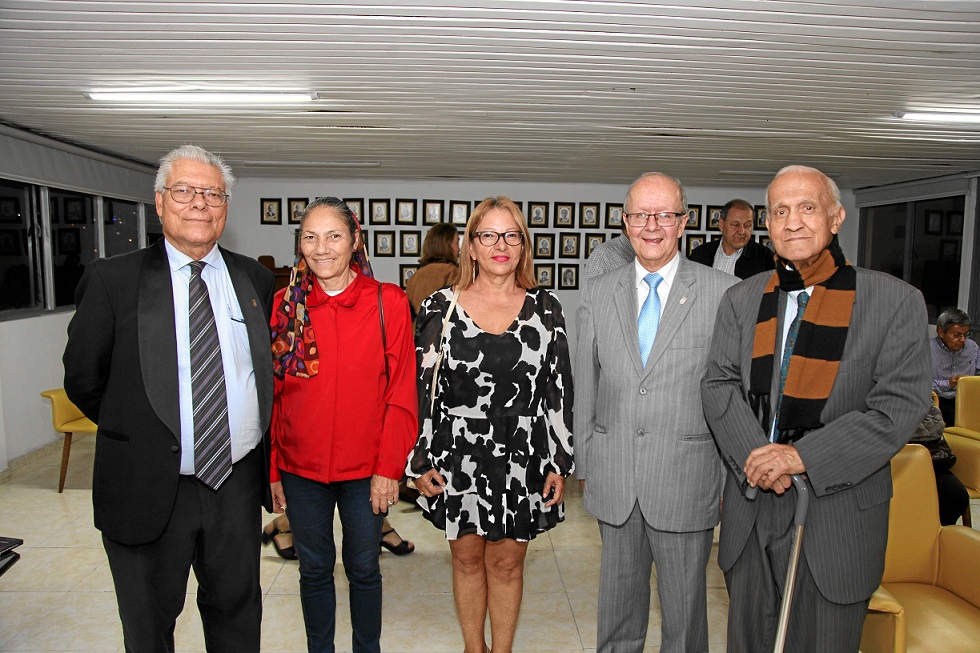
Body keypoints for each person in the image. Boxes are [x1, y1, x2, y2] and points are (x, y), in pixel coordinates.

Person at [701, 165, 931, 652]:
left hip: (838, 517)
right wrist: (760, 457)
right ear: (767, 222)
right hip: (751, 507)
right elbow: (718, 385)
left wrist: (800, 457)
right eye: (780, 211)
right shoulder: (741, 299)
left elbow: (897, 408)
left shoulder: (894, 301)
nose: (793, 222)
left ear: (836, 217)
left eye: (807, 208)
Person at [63, 145, 275, 652]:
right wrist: (147, 433)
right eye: (184, 191)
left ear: (226, 207)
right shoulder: (113, 281)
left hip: (234, 482)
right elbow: (84, 381)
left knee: (238, 619)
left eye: (212, 194)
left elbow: (259, 376)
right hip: (147, 485)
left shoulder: (256, 280)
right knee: (148, 627)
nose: (199, 203)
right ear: (160, 203)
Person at [575, 172, 737, 652]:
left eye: (664, 215)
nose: (652, 226)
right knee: (618, 611)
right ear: (625, 223)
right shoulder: (599, 291)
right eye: (641, 215)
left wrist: (730, 479)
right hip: (616, 476)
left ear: (683, 223)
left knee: (685, 617)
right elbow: (587, 383)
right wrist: (588, 462)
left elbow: (732, 396)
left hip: (686, 479)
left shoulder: (721, 292)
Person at [410, 196, 573, 653]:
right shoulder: (440, 307)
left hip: (523, 453)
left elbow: (558, 387)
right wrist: (419, 458)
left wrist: (560, 459)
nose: (500, 244)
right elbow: (423, 391)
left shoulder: (547, 308)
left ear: (523, 246)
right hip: (457, 452)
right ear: (471, 247)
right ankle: (472, 648)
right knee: (465, 559)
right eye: (488, 235)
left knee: (506, 563)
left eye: (511, 235)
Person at [269, 196, 418, 653]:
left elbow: (402, 392)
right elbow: (275, 394)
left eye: (333, 235)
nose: (321, 248)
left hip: (365, 471)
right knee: (313, 569)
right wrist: (274, 470)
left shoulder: (386, 301)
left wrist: (389, 468)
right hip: (301, 469)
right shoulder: (285, 304)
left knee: (363, 569)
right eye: (310, 237)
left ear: (355, 241)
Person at [688, 198, 776, 279]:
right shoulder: (699, 255)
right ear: (721, 225)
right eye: (735, 225)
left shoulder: (766, 259)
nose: (742, 231)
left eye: (747, 225)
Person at [931, 307, 979, 426]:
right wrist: (948, 383)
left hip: (967, 400)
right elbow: (920, 384)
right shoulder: (927, 349)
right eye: (957, 335)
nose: (962, 339)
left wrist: (970, 382)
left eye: (966, 334)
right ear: (941, 332)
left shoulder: (972, 348)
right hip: (938, 401)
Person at [405, 222, 459, 318]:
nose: (459, 249)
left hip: (415, 331)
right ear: (447, 245)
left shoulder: (415, 276)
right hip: (440, 331)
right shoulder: (452, 272)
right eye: (457, 243)